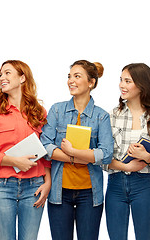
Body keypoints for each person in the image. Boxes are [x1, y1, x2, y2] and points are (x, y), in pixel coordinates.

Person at [40, 60, 114, 240]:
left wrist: (73, 152)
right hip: (60, 191)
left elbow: (106, 154)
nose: (70, 81)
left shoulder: (101, 116)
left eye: (77, 76)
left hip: (90, 193)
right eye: (69, 76)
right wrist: (80, 158)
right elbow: (45, 146)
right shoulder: (57, 110)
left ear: (91, 83)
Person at [0, 60, 51, 240]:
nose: (2, 77)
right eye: (0, 74)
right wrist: (13, 161)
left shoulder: (39, 112)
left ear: (22, 77)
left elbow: (46, 153)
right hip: (2, 188)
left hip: (34, 186)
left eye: (7, 73)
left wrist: (47, 182)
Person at [103, 63, 150, 240]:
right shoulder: (110, 116)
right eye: (121, 80)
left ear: (141, 86)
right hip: (115, 185)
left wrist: (147, 157)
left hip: (144, 186)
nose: (121, 85)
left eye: (127, 81)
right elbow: (102, 158)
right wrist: (127, 167)